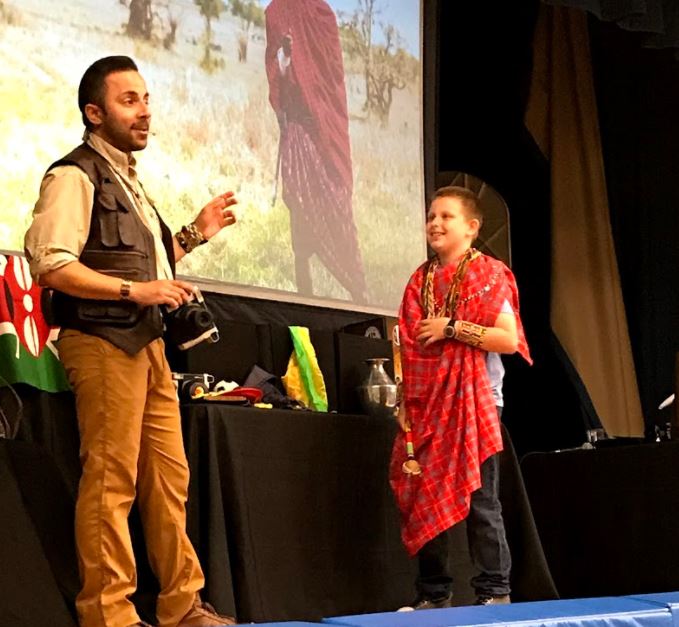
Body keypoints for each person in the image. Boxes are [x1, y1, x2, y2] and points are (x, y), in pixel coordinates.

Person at [24, 56, 238, 627]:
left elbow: (149, 259)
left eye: (145, 98)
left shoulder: (128, 179)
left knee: (169, 480)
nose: (144, 111)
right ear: (94, 113)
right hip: (99, 341)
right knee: (112, 479)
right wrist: (132, 291)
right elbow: (50, 265)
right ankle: (109, 614)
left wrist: (195, 233)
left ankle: (182, 606)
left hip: (147, 346)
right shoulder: (73, 175)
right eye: (128, 101)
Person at [391, 186, 532, 610]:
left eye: (446, 216)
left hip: (478, 400)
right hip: (427, 403)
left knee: (479, 499)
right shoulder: (420, 280)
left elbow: (508, 340)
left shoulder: (489, 275)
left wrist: (453, 328)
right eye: (431, 216)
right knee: (423, 494)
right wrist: (404, 402)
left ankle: (495, 592)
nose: (435, 223)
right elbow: (408, 348)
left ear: (471, 228)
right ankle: (434, 595)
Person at [264, 0, 368, 303]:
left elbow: (331, 75)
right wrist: (285, 58)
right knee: (298, 199)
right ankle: (304, 293)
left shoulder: (322, 14)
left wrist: (301, 64)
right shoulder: (276, 11)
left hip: (323, 128)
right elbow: (275, 67)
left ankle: (358, 292)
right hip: (296, 128)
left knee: (336, 206)